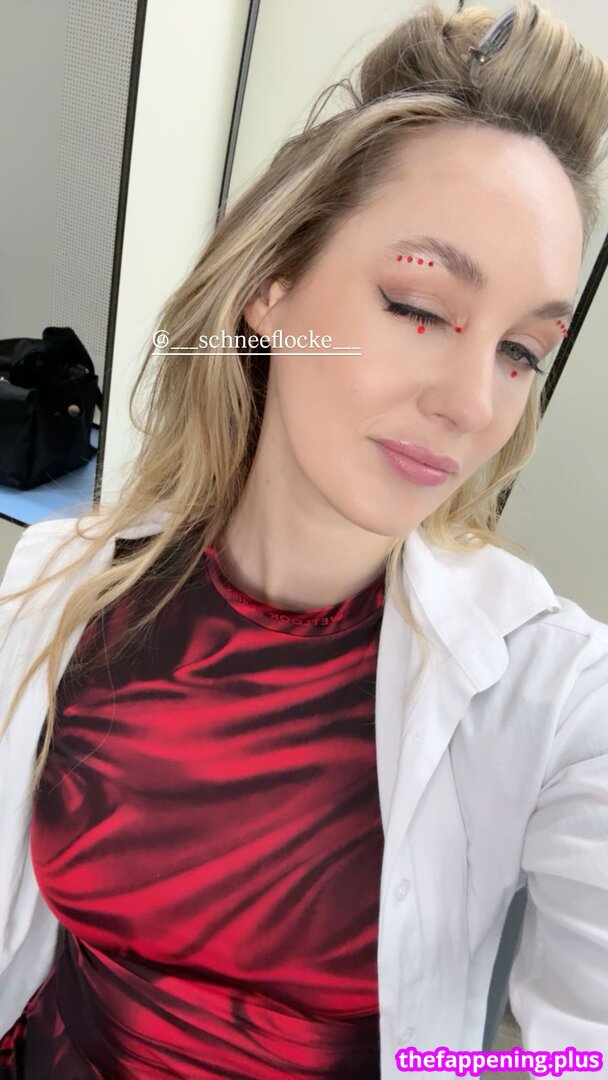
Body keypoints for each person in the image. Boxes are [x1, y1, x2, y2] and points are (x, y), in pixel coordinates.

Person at [1, 1, 608, 1077]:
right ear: (273, 289)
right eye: (417, 305)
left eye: (521, 351)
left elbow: (583, 1052)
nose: (474, 404)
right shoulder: (64, 585)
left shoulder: (557, 692)